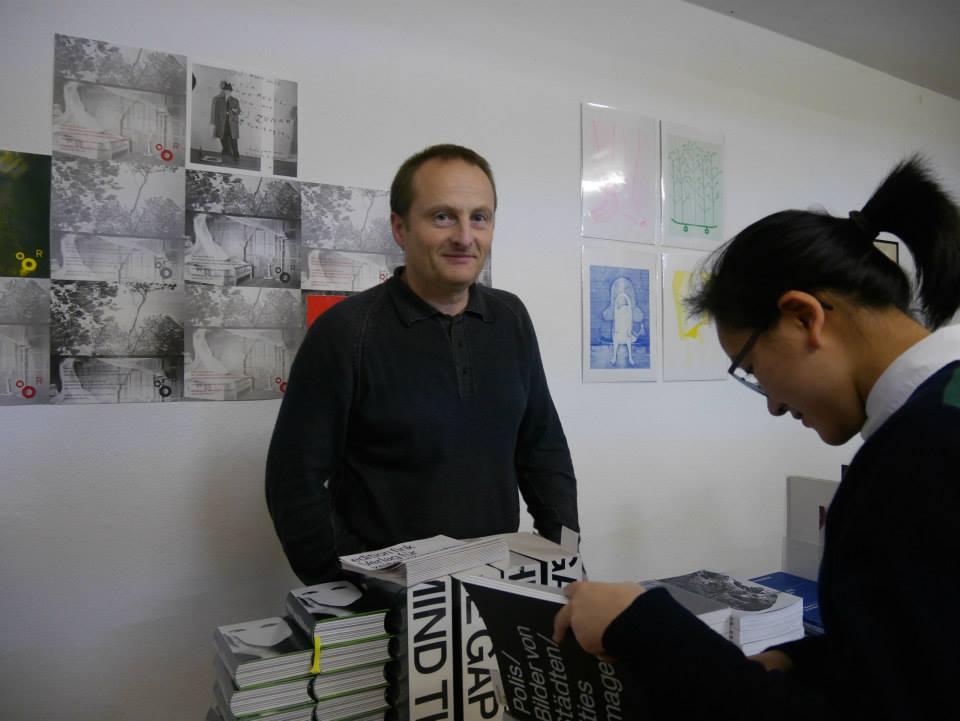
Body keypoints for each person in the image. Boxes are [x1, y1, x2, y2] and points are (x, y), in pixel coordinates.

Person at [553, 156, 960, 719]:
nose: (771, 404)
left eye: (750, 368)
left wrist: (642, 626)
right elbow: (910, 660)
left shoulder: (923, 456)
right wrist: (799, 663)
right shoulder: (934, 419)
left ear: (803, 318)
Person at [266, 144, 579, 584]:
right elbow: (293, 481)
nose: (465, 236)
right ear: (400, 227)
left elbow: (543, 448)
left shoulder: (511, 319)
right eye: (442, 216)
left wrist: (562, 558)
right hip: (389, 596)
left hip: (495, 585)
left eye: (479, 217)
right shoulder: (346, 331)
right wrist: (344, 592)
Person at [212, 81, 240, 163]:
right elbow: (216, 112)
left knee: (233, 140)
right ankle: (226, 151)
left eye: (229, 90)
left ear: (231, 91)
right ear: (223, 91)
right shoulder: (218, 100)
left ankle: (236, 155)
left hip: (232, 123)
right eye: (226, 90)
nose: (227, 92)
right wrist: (216, 122)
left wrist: (235, 110)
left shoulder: (235, 100)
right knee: (223, 137)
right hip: (222, 123)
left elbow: (238, 111)